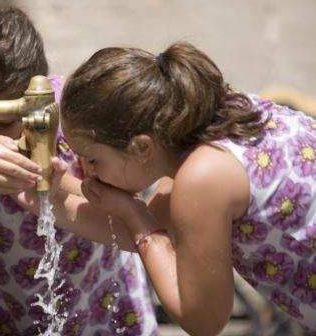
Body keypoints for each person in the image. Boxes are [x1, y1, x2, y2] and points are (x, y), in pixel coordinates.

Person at [37, 42, 315, 335]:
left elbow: (202, 320)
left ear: (141, 147)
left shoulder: (202, 178)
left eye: (93, 159)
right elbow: (137, 228)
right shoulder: (215, 116)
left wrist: (135, 217)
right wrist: (45, 199)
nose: (86, 170)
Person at [0, 2, 159, 335]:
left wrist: (57, 188)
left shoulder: (72, 122)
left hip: (107, 316)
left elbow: (126, 222)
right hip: (7, 319)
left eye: (5, 121)